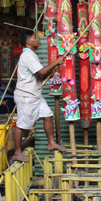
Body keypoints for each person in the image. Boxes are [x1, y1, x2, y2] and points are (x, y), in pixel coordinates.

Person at [13, 31, 66, 162]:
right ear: (28, 42)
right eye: (35, 38)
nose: (38, 40)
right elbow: (41, 71)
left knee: (48, 115)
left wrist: (50, 73)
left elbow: (40, 74)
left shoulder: (31, 55)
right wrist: (56, 62)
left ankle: (51, 143)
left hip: (35, 95)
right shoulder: (27, 56)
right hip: (27, 95)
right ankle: (17, 152)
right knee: (22, 125)